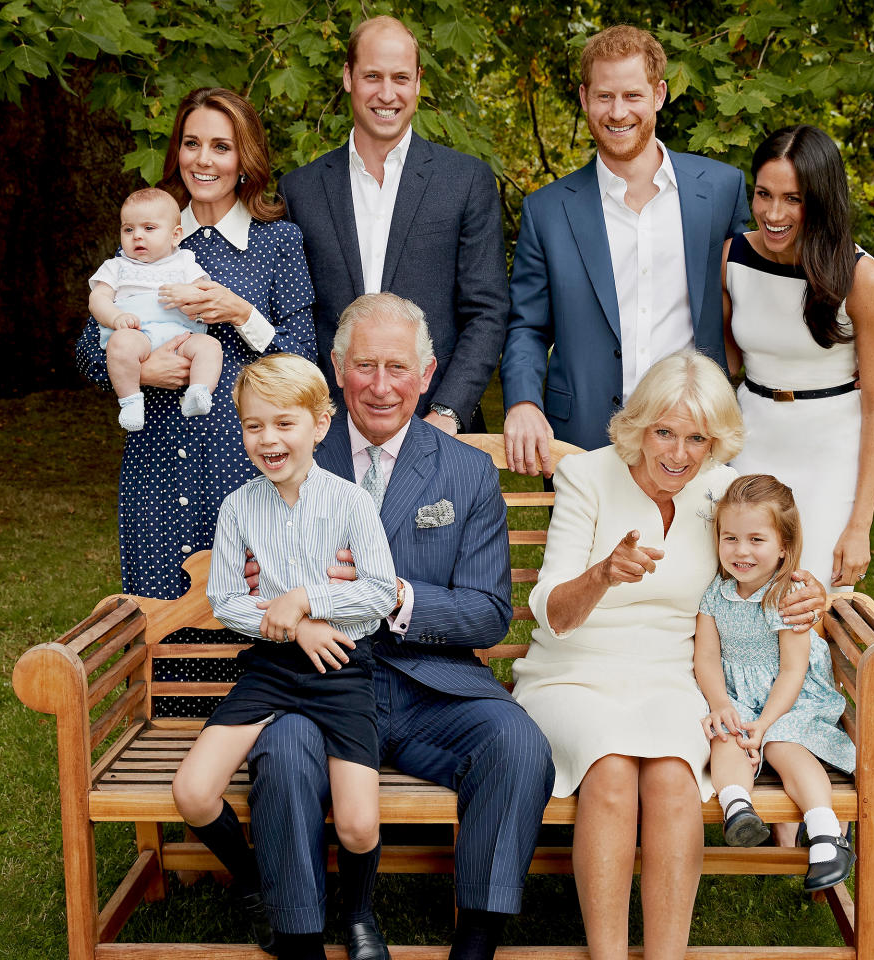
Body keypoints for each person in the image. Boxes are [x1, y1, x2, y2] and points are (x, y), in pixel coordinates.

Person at [245, 293, 554, 960]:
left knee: (517, 744)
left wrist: (394, 597)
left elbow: (488, 612)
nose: (381, 387)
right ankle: (299, 937)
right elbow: (253, 576)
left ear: (428, 372)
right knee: (283, 755)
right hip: (316, 684)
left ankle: (475, 942)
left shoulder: (466, 471)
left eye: (397, 368)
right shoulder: (289, 453)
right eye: (364, 367)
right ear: (335, 367)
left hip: (429, 687)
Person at [510, 352, 825, 960]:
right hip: (574, 672)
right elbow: (552, 610)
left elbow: (761, 563)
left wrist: (804, 588)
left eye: (696, 438)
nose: (679, 453)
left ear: (716, 441)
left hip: (673, 675)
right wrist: (602, 575)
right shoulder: (587, 477)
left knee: (675, 779)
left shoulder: (718, 490)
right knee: (611, 771)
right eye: (664, 433)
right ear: (640, 426)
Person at [76, 87, 316, 715]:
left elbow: (304, 358)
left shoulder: (277, 243)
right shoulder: (148, 231)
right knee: (164, 633)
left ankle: (261, 773)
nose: (203, 159)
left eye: (221, 145)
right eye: (191, 143)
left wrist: (243, 314)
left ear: (246, 157)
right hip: (156, 468)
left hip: (244, 472)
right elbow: (84, 347)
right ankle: (175, 778)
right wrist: (138, 368)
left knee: (255, 622)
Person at [172, 354, 396, 954]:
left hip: (343, 668)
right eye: (253, 426)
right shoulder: (238, 508)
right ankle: (258, 887)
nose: (268, 439)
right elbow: (226, 602)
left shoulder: (352, 504)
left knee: (357, 824)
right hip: (272, 669)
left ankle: (357, 913)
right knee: (193, 791)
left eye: (284, 423)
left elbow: (376, 594)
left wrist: (302, 599)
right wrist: (294, 628)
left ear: (321, 424)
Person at [500, 24, 750, 476]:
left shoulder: (719, 190)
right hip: (582, 439)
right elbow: (527, 328)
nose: (618, 112)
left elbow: (751, 297)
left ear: (658, 95)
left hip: (697, 438)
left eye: (632, 96)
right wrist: (521, 401)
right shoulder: (547, 210)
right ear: (583, 97)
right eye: (604, 96)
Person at [278, 15, 508, 434]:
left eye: (400, 77)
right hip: (330, 431)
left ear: (418, 82)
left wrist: (448, 412)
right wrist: (316, 412)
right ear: (348, 77)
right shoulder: (299, 191)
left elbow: (486, 312)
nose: (387, 94)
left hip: (438, 425)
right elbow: (297, 317)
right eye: (372, 76)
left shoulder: (465, 181)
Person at [724, 124, 874, 590]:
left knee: (810, 599)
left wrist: (859, 525)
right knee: (740, 593)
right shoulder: (732, 258)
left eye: (793, 199)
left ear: (820, 200)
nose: (773, 213)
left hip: (830, 454)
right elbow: (725, 367)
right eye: (763, 194)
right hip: (750, 444)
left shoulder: (864, 280)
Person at [694, 473, 856, 893]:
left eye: (756, 540)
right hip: (738, 698)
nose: (740, 551)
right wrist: (720, 703)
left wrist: (764, 725)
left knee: (783, 745)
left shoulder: (788, 595)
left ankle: (825, 834)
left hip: (790, 700)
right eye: (729, 538)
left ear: (784, 546)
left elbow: (792, 672)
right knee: (726, 737)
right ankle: (739, 810)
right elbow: (708, 658)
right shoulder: (715, 594)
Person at [88, 188, 222, 431]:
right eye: (129, 229)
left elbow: (206, 293)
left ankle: (199, 391)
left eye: (149, 228)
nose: (137, 236)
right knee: (121, 344)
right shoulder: (116, 266)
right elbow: (97, 299)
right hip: (137, 334)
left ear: (175, 235)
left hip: (181, 336)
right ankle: (130, 400)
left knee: (210, 346)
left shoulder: (185, 262)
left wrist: (191, 293)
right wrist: (116, 317)